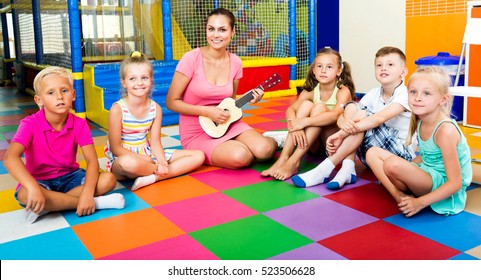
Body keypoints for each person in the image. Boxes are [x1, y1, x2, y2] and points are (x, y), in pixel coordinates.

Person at [4, 66, 124, 224]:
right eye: (51, 93)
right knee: (25, 194)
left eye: (64, 91)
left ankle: (51, 205)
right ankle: (95, 203)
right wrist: (33, 188)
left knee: (108, 179)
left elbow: (92, 161)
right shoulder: (29, 124)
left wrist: (88, 193)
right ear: (39, 100)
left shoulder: (80, 124)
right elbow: (10, 158)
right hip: (40, 180)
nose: (59, 97)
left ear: (73, 95)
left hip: (71, 178)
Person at [166, 8, 277, 169]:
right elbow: (171, 102)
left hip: (228, 124)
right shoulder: (191, 58)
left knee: (265, 150)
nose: (215, 35)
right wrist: (207, 112)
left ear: (232, 32)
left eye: (222, 30)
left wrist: (250, 98)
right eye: (211, 29)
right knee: (241, 156)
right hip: (196, 132)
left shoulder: (236, 62)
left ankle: (276, 139)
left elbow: (230, 102)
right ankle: (234, 146)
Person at [292, 46, 416, 189]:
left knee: (364, 115)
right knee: (352, 106)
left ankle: (324, 169)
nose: (383, 68)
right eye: (379, 65)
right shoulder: (374, 93)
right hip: (371, 154)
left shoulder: (405, 94)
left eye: (390, 65)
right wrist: (343, 121)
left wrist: (340, 134)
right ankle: (348, 166)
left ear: (403, 72)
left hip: (400, 156)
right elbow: (343, 115)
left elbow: (378, 119)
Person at [366, 67, 472, 217]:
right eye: (413, 92)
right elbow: (427, 154)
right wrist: (409, 170)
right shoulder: (421, 119)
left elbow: (455, 183)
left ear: (443, 99)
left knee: (391, 165)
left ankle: (408, 197)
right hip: (427, 173)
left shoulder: (445, 131)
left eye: (426, 93)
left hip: (442, 184)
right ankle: (400, 196)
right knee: (372, 152)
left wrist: (419, 203)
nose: (418, 98)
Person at [104, 52, 205, 190]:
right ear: (124, 82)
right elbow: (116, 148)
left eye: (144, 78)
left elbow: (156, 142)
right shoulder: (117, 109)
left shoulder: (155, 108)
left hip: (148, 153)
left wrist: (162, 161)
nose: (139, 83)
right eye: (132, 79)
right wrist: (149, 162)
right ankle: (157, 170)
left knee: (199, 156)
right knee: (127, 163)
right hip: (124, 158)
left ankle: (154, 177)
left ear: (151, 80)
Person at [261, 47, 356, 180]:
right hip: (312, 144)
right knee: (306, 105)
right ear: (314, 70)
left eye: (329, 67)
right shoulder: (311, 90)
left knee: (319, 108)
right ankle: (284, 158)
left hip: (330, 144)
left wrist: (304, 122)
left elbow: (335, 115)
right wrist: (295, 127)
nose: (323, 70)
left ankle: (294, 161)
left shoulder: (342, 90)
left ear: (339, 71)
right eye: (319, 66)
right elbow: (290, 110)